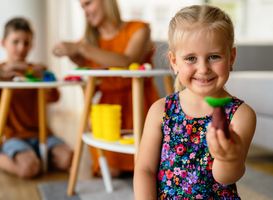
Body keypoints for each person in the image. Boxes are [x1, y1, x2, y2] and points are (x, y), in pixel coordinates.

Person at [133, 4, 256, 199]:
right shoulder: (160, 110)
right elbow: (144, 170)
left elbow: (225, 178)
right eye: (191, 58)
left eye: (214, 57)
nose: (203, 68)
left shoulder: (240, 114)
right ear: (174, 62)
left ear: (231, 58)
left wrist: (228, 158)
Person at [52, 0, 159, 177]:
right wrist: (81, 66)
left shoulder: (139, 29)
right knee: (110, 171)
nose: (85, 12)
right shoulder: (88, 43)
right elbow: (91, 92)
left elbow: (128, 61)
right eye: (82, 8)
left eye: (88, 4)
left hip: (141, 105)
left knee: (148, 165)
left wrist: (82, 49)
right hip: (108, 110)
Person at [0, 17, 73, 178]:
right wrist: (5, 73)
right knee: (29, 169)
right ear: (4, 43)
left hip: (42, 134)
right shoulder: (1, 71)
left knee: (68, 158)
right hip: (13, 136)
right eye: (15, 42)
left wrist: (47, 77)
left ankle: (37, 157)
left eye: (26, 43)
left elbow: (54, 97)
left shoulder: (34, 71)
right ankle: (23, 159)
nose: (21, 48)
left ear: (31, 46)